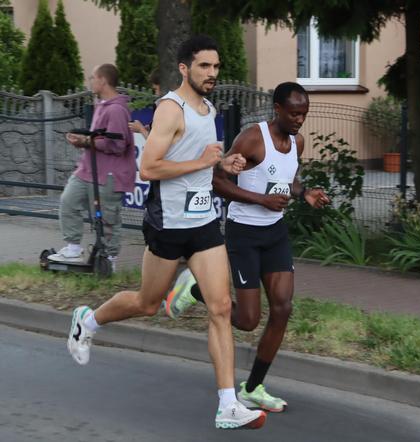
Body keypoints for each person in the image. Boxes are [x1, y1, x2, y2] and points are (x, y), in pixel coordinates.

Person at [66, 35, 266, 430]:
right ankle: (87, 321)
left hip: (204, 222)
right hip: (168, 224)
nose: (212, 73)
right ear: (184, 68)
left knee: (221, 307)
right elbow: (149, 169)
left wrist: (224, 164)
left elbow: (202, 161)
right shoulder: (170, 110)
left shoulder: (209, 110)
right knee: (146, 303)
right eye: (204, 66)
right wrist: (200, 162)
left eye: (216, 66)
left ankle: (227, 404)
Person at [164, 82, 330, 413]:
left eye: (304, 114)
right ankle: (196, 290)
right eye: (294, 113)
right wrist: (261, 200)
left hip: (275, 234)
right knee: (248, 320)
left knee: (283, 309)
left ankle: (253, 388)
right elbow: (217, 180)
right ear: (278, 109)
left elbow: (288, 179)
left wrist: (304, 193)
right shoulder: (254, 137)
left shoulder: (297, 142)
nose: (300, 120)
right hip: (244, 234)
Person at [49, 64, 135, 270]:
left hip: (109, 173)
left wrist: (86, 141)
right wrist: (83, 138)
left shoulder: (116, 109)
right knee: (68, 200)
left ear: (103, 80)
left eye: (92, 77)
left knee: (107, 218)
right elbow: (99, 137)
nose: (90, 81)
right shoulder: (101, 104)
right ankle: (73, 248)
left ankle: (109, 260)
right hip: (89, 168)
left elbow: (117, 144)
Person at [129, 69, 161, 138]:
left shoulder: (164, 107)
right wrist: (149, 127)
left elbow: (156, 142)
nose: (156, 94)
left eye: (156, 89)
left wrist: (141, 129)